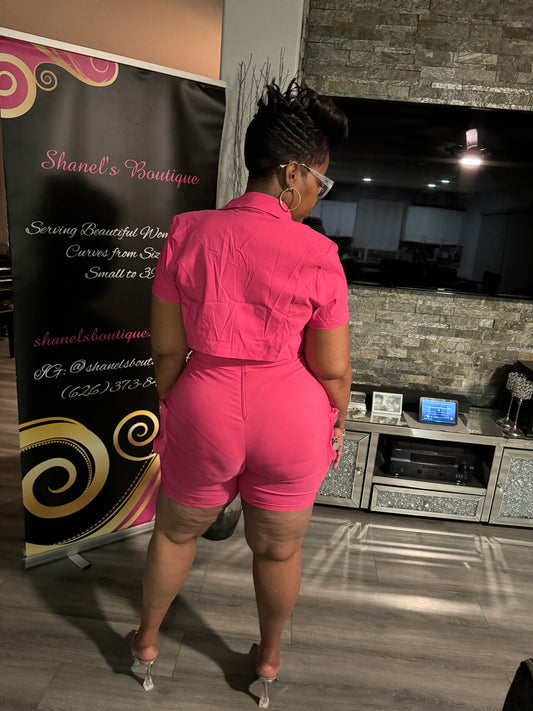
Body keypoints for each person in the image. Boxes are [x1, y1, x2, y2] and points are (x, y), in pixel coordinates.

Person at [132, 80, 351, 706]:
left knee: (176, 535)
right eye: (320, 180)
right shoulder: (320, 252)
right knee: (278, 552)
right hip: (291, 415)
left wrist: (173, 403)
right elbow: (333, 371)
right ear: (291, 173)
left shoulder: (186, 232)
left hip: (204, 401)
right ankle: (269, 660)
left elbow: (167, 350)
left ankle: (146, 643)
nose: (317, 193)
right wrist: (336, 419)